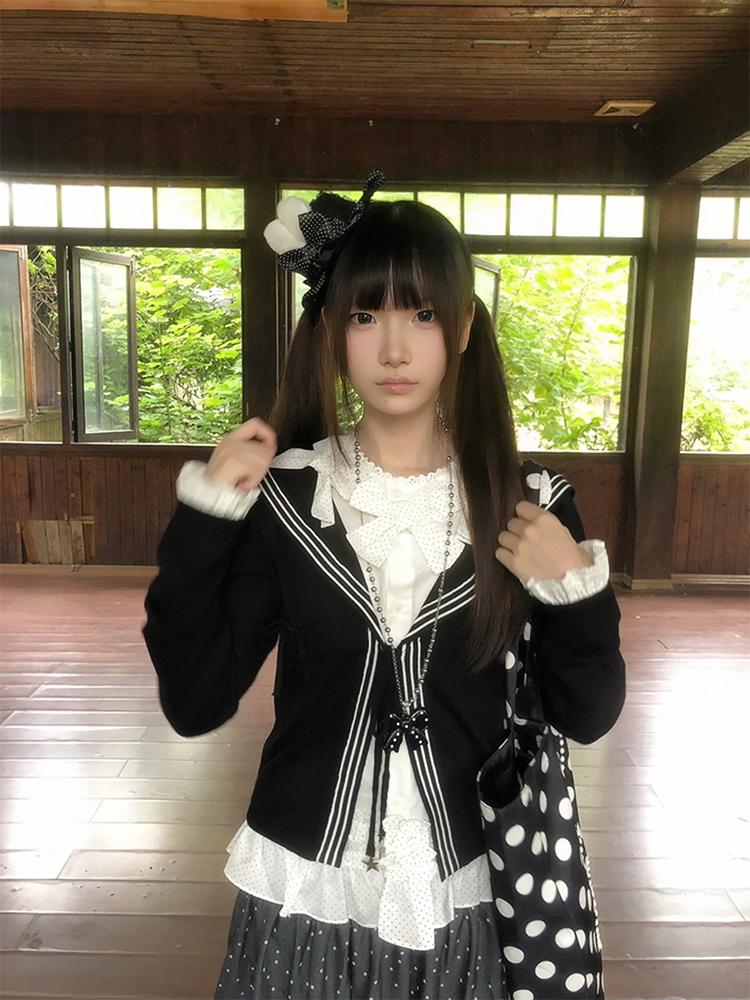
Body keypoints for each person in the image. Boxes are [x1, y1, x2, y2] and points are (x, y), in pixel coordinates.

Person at [141, 170, 626, 1000]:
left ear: (463, 328)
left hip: (472, 892)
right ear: (333, 330)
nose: (394, 349)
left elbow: (588, 714)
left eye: (423, 315)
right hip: (303, 890)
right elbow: (195, 702)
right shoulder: (285, 499)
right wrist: (207, 519)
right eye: (365, 316)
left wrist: (576, 592)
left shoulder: (531, 505)